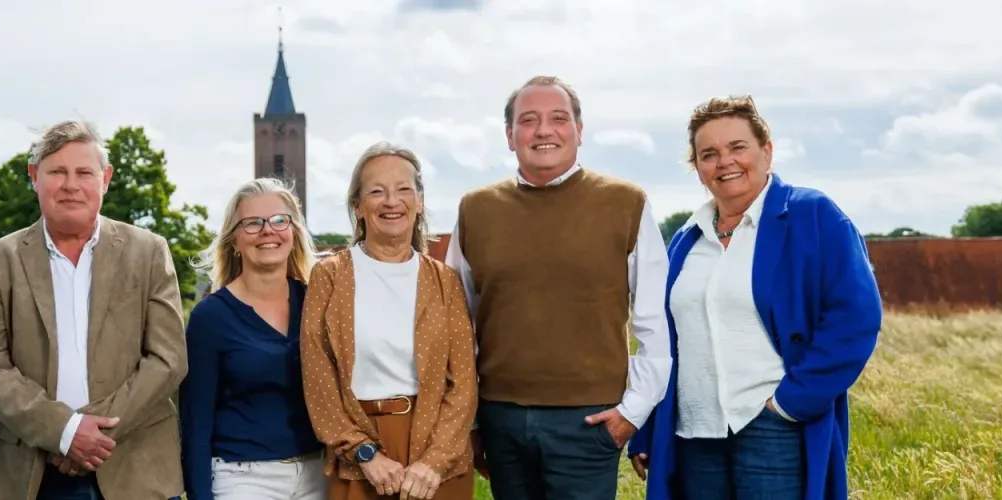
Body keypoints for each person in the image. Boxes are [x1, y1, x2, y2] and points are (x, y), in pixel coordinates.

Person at [626, 95, 882, 499]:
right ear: (698, 168)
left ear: (766, 152)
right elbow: (664, 343)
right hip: (693, 433)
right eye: (709, 154)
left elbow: (855, 317)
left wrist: (789, 404)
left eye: (737, 147)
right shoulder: (685, 241)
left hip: (773, 428)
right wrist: (649, 427)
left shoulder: (813, 215)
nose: (724, 161)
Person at [444, 75, 673, 499]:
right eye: (528, 120)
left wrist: (632, 412)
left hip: (589, 422)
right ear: (510, 135)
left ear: (579, 131)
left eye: (558, 118)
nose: (543, 130)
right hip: (501, 420)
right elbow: (457, 325)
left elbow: (655, 322)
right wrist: (472, 422)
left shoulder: (626, 203)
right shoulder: (475, 210)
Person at [0, 119, 187, 500]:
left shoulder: (149, 252)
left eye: (84, 172)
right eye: (57, 172)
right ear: (34, 176)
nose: (71, 185)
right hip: (33, 474)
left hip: (135, 469)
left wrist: (92, 436)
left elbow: (168, 359)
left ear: (105, 178)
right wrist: (65, 432)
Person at [301, 142, 478, 500]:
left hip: (438, 457)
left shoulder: (445, 281)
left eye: (403, 190)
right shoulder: (329, 277)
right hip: (361, 458)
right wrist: (363, 453)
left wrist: (434, 462)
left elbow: (463, 383)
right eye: (377, 191)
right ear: (358, 206)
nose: (391, 201)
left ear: (419, 201)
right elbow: (319, 380)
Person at [179, 178, 326, 500]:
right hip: (243, 479)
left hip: (319, 476)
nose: (267, 231)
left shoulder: (318, 303)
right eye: (253, 223)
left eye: (279, 220)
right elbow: (195, 422)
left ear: (294, 233)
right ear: (234, 240)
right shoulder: (211, 317)